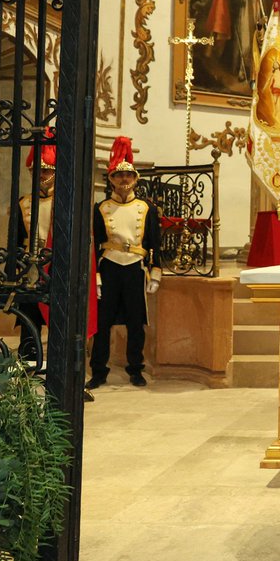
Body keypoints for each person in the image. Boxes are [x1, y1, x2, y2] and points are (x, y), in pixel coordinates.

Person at [87, 136, 162, 390]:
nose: (124, 181)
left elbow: (155, 243)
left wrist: (156, 273)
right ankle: (98, 371)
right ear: (111, 180)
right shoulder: (101, 208)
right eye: (119, 176)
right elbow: (94, 245)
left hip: (135, 267)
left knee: (135, 322)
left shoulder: (146, 208)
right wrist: (95, 276)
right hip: (108, 266)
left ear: (135, 180)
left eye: (128, 176)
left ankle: (135, 369)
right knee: (102, 323)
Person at [12, 132, 56, 363]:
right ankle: (28, 363)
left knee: (58, 319)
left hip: (56, 267)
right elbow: (17, 240)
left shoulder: (62, 201)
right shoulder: (24, 202)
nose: (42, 175)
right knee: (30, 317)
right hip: (30, 268)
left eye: (47, 170)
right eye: (38, 171)